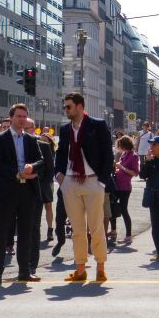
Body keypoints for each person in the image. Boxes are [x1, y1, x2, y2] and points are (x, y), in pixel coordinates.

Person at [55, 92, 114, 283]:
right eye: (65, 107)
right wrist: (59, 175)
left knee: (96, 227)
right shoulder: (65, 129)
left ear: (80, 107)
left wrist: (102, 181)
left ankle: (100, 268)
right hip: (70, 182)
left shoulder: (97, 125)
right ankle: (80, 270)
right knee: (77, 229)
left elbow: (108, 154)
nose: (66, 110)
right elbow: (61, 153)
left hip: (92, 180)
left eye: (69, 106)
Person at [0, 103, 43, 284]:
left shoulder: (30, 140)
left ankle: (24, 271)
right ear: (11, 117)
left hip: (27, 191)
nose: (21, 119)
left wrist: (32, 167)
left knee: (26, 233)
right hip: (6, 191)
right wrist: (16, 173)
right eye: (18, 116)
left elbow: (42, 160)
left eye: (24, 116)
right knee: (2, 233)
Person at [109, 136, 139, 245]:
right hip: (117, 185)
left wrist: (121, 167)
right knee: (112, 207)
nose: (119, 147)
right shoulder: (124, 154)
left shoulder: (133, 156)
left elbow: (135, 173)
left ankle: (128, 236)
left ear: (125, 145)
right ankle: (113, 231)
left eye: (120, 145)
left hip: (125, 187)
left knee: (123, 210)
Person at [35, 132, 57, 243]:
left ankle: (50, 230)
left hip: (47, 182)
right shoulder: (35, 147)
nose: (42, 141)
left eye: (45, 140)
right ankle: (35, 230)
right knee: (36, 207)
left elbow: (51, 168)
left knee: (48, 205)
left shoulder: (51, 151)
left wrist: (47, 182)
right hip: (36, 181)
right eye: (41, 139)